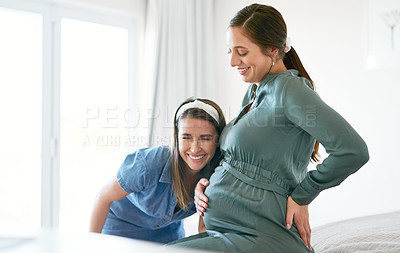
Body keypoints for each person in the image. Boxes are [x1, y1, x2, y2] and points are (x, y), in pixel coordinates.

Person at [168, 4, 369, 252]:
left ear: (273, 50)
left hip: (258, 232)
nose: (232, 61)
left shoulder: (291, 90)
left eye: (241, 52)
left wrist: (302, 195)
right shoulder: (255, 90)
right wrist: (206, 181)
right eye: (230, 51)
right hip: (230, 230)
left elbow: (353, 150)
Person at [89, 97, 226, 244]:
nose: (194, 148)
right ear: (176, 138)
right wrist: (90, 246)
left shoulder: (216, 174)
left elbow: (204, 230)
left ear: (217, 140)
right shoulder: (148, 164)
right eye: (186, 137)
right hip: (121, 227)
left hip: (168, 234)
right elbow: (103, 198)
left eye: (205, 139)